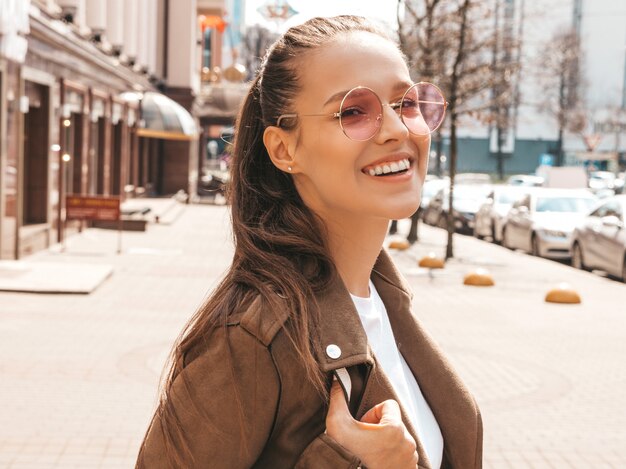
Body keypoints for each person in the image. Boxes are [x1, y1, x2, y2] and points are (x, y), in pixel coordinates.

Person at [136, 15, 482, 469]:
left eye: (406, 103)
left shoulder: (385, 302)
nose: (398, 129)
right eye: (354, 111)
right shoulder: (250, 337)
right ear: (284, 149)